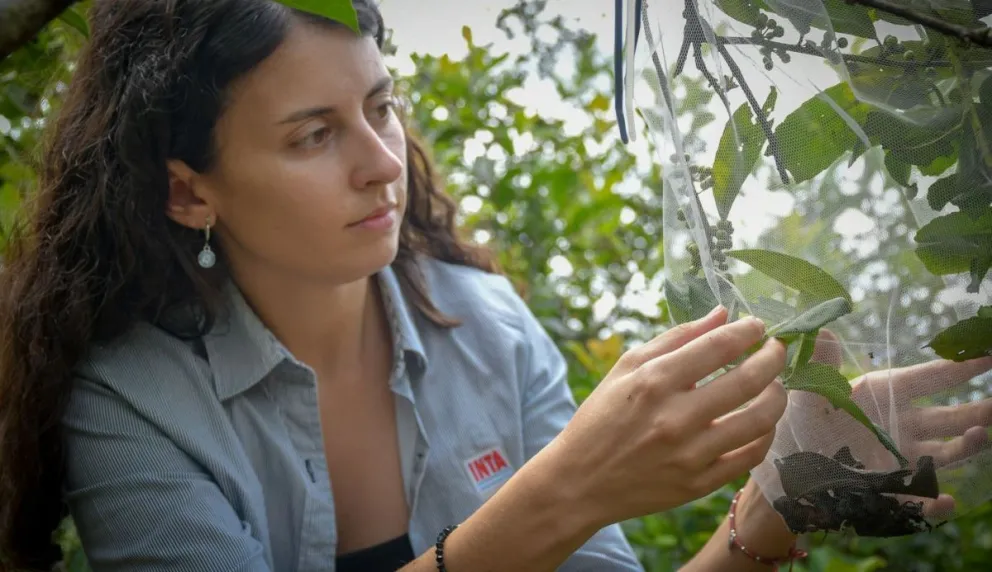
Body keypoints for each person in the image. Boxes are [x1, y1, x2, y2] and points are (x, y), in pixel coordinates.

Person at [0, 1, 989, 571]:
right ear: (187, 189)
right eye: (312, 134)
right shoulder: (132, 400)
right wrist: (563, 492)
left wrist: (780, 497)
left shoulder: (487, 326)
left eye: (381, 108)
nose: (382, 163)